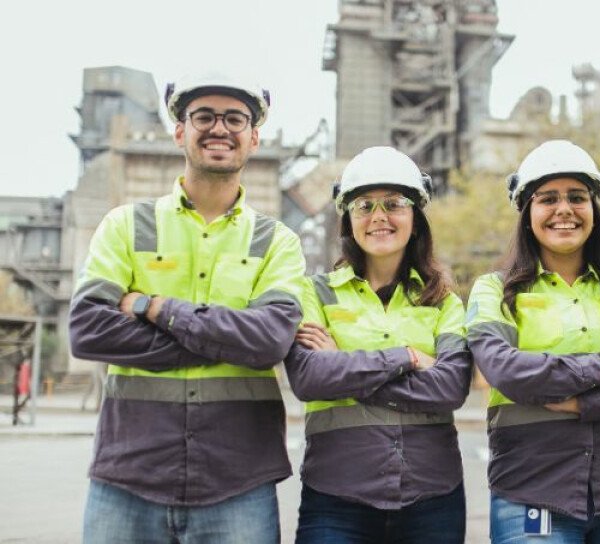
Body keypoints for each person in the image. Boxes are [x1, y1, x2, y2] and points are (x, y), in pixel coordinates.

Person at [70, 73, 306, 543]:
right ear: (180, 131)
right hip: (129, 476)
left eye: (235, 119)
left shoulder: (277, 241)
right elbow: (88, 329)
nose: (219, 128)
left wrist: (154, 308)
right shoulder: (126, 225)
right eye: (204, 117)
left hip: (237, 481)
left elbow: (269, 342)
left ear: (254, 138)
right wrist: (226, 340)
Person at [466, 140, 600, 543]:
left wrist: (584, 404)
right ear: (526, 213)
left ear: (594, 211)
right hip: (532, 492)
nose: (564, 209)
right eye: (548, 199)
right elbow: (507, 372)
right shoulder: (494, 291)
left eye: (577, 197)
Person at [284, 146, 472, 543]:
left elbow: (451, 387)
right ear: (349, 220)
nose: (379, 216)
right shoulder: (315, 293)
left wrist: (344, 365)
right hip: (336, 496)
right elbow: (310, 378)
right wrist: (406, 357)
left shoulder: (443, 302)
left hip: (432, 499)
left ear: (415, 220)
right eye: (364, 206)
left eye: (394, 203)